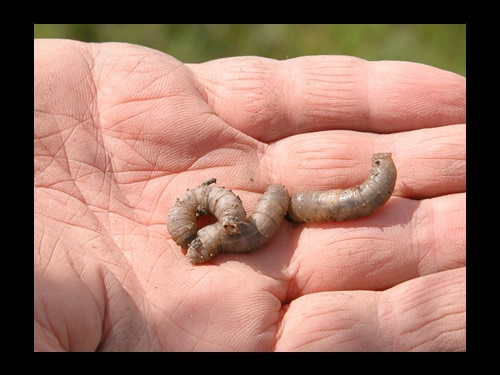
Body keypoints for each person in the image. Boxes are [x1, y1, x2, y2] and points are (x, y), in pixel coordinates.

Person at [34, 39, 465, 351]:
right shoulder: (217, 222)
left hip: (262, 211)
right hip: (253, 214)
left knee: (319, 201)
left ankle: (377, 176)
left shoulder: (225, 219)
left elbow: (233, 215)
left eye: (197, 240)